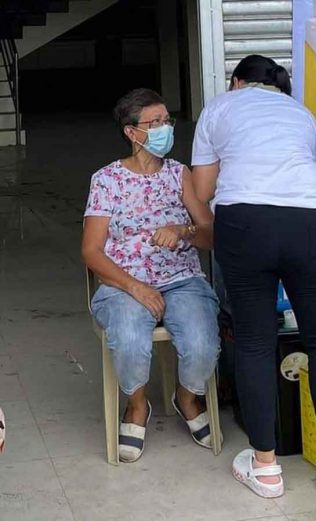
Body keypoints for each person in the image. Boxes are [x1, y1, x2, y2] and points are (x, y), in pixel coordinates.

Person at [191, 55, 316, 499]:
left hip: (245, 222)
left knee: (254, 341)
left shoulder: (220, 108)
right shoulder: (302, 113)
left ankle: (265, 467)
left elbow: (204, 190)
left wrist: (200, 215)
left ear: (237, 81)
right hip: (311, 221)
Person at [81, 88, 221, 463]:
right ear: (132, 132)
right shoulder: (107, 180)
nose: (164, 129)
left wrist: (183, 230)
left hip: (181, 278)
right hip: (123, 282)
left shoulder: (179, 174)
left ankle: (187, 397)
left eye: (166, 121)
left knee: (203, 342)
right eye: (154, 123)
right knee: (129, 337)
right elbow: (91, 250)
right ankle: (137, 405)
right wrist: (135, 287)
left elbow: (210, 234)